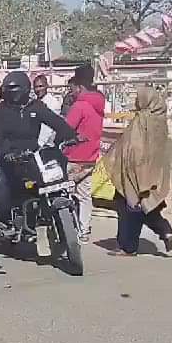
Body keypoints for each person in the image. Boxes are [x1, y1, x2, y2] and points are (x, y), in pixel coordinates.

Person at [0, 71, 77, 227]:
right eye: (10, 90)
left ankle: (44, 215)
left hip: (33, 158)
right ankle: (5, 222)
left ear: (25, 89)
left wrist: (71, 135)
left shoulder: (35, 106)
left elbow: (56, 121)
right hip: (9, 160)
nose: (13, 93)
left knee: (49, 181)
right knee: (1, 189)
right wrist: (8, 153)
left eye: (16, 89)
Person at [105, 88, 172, 256]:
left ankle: (127, 247)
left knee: (127, 207)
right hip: (153, 173)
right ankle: (165, 230)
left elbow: (132, 147)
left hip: (135, 171)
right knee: (147, 205)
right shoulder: (160, 120)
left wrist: (121, 163)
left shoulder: (141, 120)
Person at [64, 65, 106, 241]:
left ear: (80, 87)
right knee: (85, 195)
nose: (71, 92)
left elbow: (65, 129)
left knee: (64, 192)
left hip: (74, 157)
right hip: (91, 157)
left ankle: (68, 229)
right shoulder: (99, 103)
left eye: (72, 88)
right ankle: (84, 230)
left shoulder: (80, 105)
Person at [33, 74, 63, 145]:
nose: (38, 89)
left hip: (47, 144)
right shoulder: (34, 102)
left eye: (41, 86)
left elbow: (48, 128)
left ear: (47, 86)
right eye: (35, 87)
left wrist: (39, 143)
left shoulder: (53, 103)